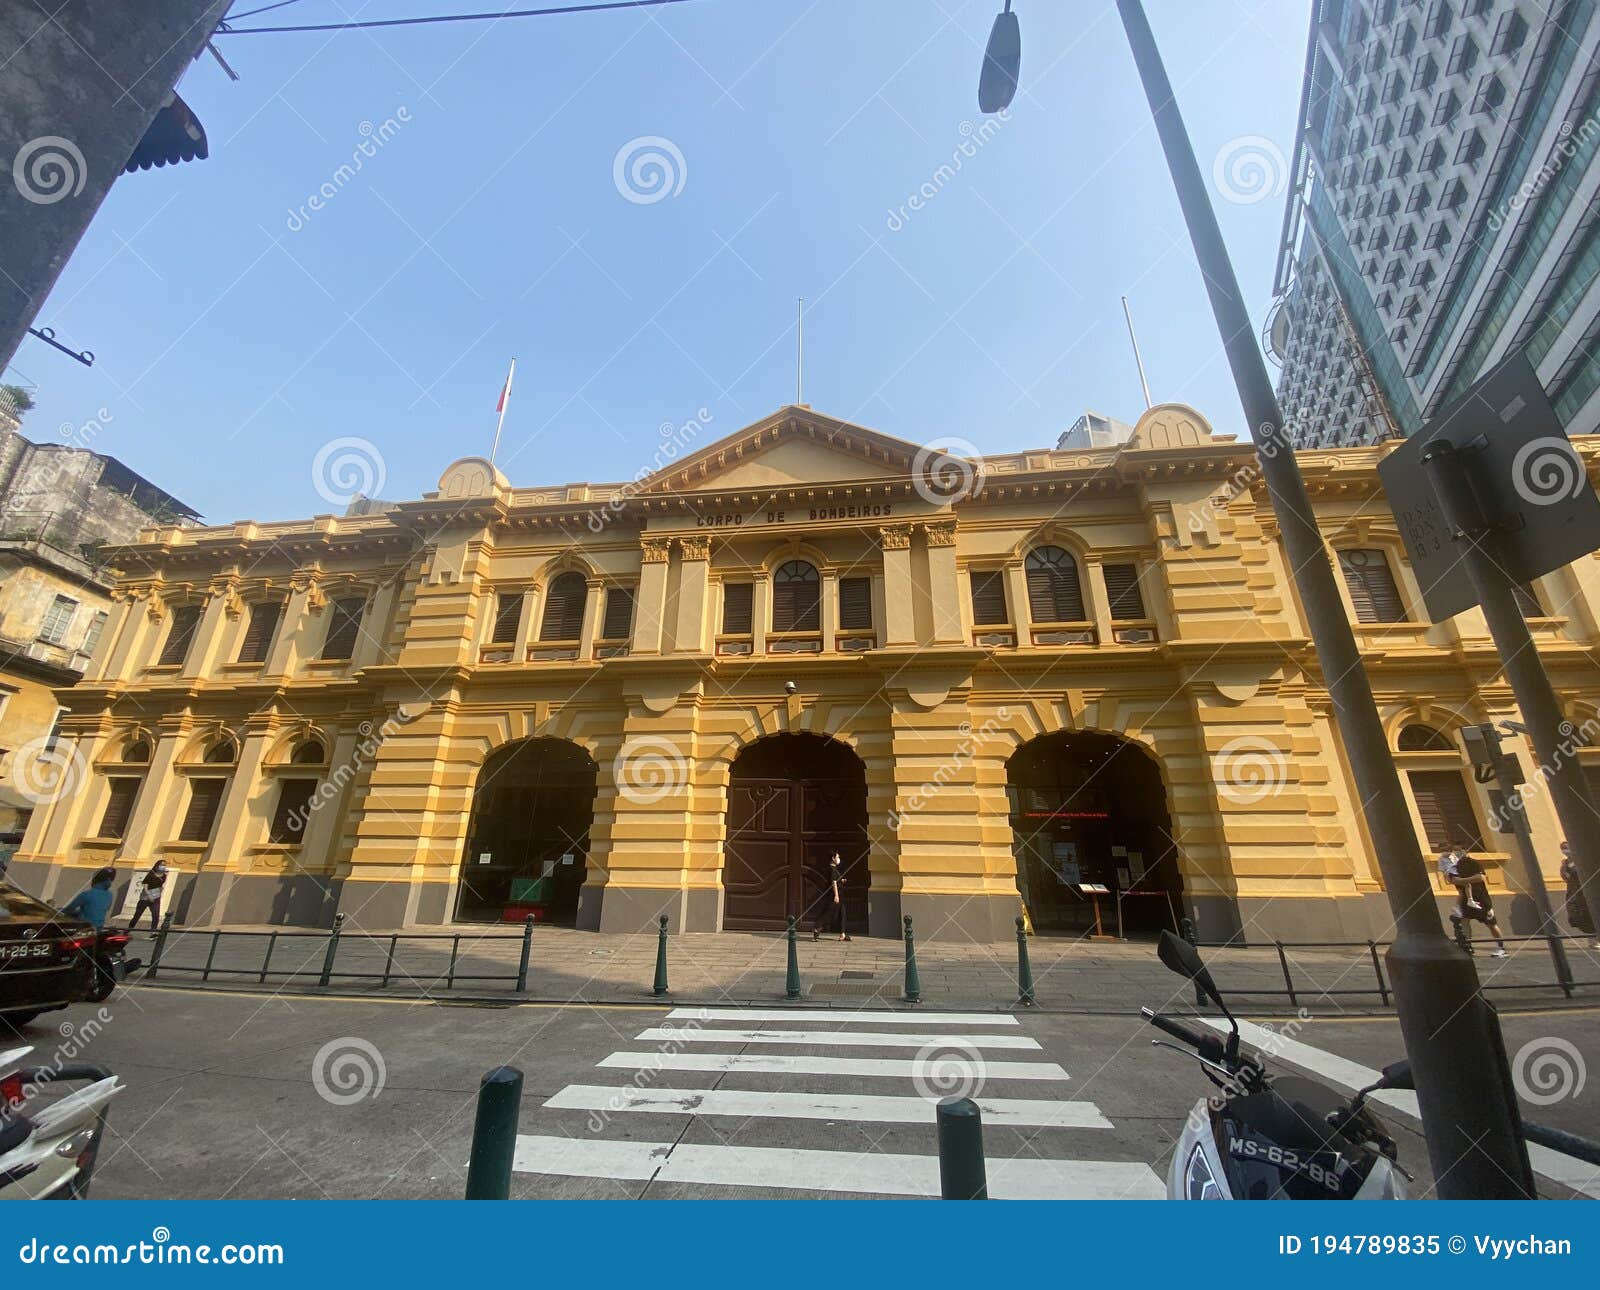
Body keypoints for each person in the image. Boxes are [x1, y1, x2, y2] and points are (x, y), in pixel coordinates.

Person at [1439, 846, 1507, 958]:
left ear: (1466, 850)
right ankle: (1467, 947)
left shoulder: (1473, 863)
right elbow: (1453, 882)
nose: (1457, 852)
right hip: (1465, 899)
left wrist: (1462, 881)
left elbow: (1480, 877)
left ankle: (1501, 948)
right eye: (1455, 850)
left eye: (1460, 850)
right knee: (1464, 923)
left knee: (1491, 924)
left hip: (1481, 899)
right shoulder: (1454, 866)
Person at [1559, 841, 1595, 940]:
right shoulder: (1565, 864)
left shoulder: (1582, 861)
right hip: (1574, 892)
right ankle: (1592, 937)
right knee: (1579, 915)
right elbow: (1565, 877)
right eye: (1563, 848)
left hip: (1585, 890)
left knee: (1591, 912)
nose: (1565, 850)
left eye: (1566, 847)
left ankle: (1594, 937)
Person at [811, 853, 850, 942]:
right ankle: (817, 928)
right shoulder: (832, 869)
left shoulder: (834, 869)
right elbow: (833, 882)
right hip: (835, 895)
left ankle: (842, 934)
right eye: (837, 857)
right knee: (829, 914)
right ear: (833, 858)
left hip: (840, 894)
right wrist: (836, 895)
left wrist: (842, 880)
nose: (839, 858)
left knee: (842, 913)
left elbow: (836, 880)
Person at [131, 859, 169, 933]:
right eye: (161, 865)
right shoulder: (151, 873)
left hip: (156, 896)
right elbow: (145, 884)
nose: (163, 866)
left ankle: (153, 932)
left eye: (164, 865)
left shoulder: (164, 875)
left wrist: (159, 891)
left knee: (156, 915)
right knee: (137, 914)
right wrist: (149, 895)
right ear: (157, 866)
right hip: (145, 896)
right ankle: (129, 929)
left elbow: (160, 885)